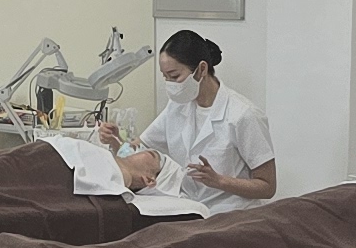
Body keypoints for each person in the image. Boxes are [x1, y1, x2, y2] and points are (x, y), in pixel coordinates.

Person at [107, 30, 276, 210]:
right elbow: (139, 147)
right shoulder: (177, 106)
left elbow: (267, 187)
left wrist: (219, 181)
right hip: (192, 208)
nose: (170, 84)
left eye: (174, 76)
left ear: (201, 69)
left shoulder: (243, 115)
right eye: (165, 77)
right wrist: (117, 142)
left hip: (232, 212)